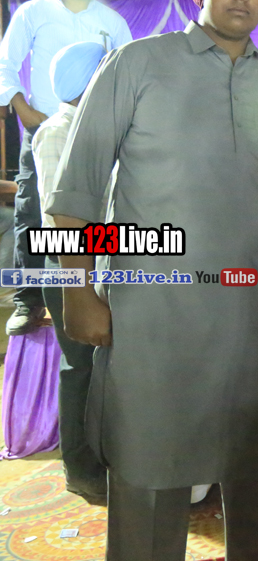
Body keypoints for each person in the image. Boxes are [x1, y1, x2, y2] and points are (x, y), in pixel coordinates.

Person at [46, 0, 258, 561]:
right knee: (148, 474)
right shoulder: (138, 64)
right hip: (156, 318)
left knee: (257, 480)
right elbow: (75, 192)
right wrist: (78, 291)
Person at [0, 0, 132, 336]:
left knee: (101, 211)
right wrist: (25, 113)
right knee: (33, 214)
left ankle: (105, 291)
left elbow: (129, 72)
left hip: (99, 133)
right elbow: (5, 63)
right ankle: (29, 300)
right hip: (45, 129)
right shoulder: (34, 12)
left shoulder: (110, 20)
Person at [31, 41, 108, 504]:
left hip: (103, 260)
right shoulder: (57, 131)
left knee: (100, 367)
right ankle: (80, 469)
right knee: (79, 366)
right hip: (68, 264)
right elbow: (58, 216)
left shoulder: (97, 129)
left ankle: (106, 456)